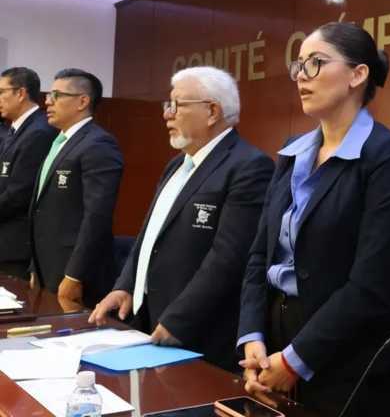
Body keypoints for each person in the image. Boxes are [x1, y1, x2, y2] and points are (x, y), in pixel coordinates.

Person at [238, 22, 390, 417]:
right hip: (274, 341)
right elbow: (259, 256)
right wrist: (252, 339)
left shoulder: (388, 157)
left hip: (347, 356)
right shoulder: (292, 151)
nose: (301, 76)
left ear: (358, 75)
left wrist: (295, 360)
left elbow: (373, 284)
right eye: (298, 65)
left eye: (316, 63)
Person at [89, 67, 274, 372]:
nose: (167, 114)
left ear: (212, 111)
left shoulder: (249, 167)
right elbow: (149, 236)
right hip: (148, 320)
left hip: (197, 333)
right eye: (168, 105)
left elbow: (228, 258)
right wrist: (125, 286)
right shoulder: (176, 165)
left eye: (177, 105)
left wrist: (179, 319)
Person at [29, 68, 123, 307]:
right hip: (46, 266)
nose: (48, 101)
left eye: (57, 95)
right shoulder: (59, 141)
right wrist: (35, 265)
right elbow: (42, 208)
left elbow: (97, 215)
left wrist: (74, 275)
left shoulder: (98, 144)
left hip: (75, 273)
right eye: (48, 95)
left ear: (82, 101)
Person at [0, 67, 56, 279]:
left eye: (1, 92)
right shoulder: (15, 130)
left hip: (16, 247)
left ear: (21, 93)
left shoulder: (39, 132)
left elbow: (19, 194)